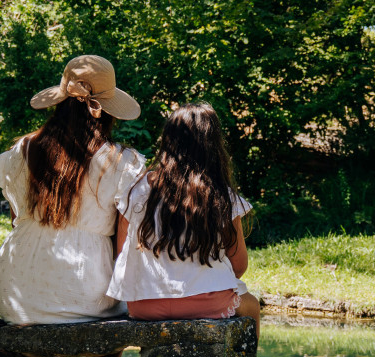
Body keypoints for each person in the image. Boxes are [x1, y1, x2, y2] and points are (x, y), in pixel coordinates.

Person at [0, 55, 144, 357]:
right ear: (105, 110)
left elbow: (16, 220)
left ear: (59, 104)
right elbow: (123, 247)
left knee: (73, 294)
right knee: (112, 297)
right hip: (81, 289)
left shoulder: (23, 150)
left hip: (15, 292)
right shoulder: (122, 162)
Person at [106, 103, 261, 336]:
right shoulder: (221, 196)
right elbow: (239, 266)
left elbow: (121, 255)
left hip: (144, 304)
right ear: (213, 146)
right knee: (253, 306)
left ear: (167, 141)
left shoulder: (137, 190)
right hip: (208, 301)